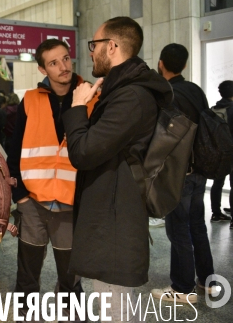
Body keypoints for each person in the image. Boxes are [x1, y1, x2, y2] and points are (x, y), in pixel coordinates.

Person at [62, 17, 173, 321]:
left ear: (111, 46)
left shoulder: (131, 96)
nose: (90, 52)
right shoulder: (122, 91)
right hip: (110, 211)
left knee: (117, 311)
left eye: (94, 45)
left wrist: (76, 109)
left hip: (115, 221)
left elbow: (84, 152)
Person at [7, 39, 96, 320]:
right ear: (42, 69)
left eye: (66, 59)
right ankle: (25, 306)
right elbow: (14, 147)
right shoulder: (31, 100)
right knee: (29, 264)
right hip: (32, 198)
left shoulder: (90, 99)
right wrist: (19, 194)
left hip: (71, 199)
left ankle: (70, 306)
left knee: (70, 265)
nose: (63, 67)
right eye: (54, 63)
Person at [151, 43, 217, 303]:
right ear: (186, 65)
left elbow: (164, 137)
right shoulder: (195, 90)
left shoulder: (167, 94)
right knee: (198, 227)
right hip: (200, 170)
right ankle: (207, 281)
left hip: (179, 174)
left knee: (178, 229)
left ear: (161, 64)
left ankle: (182, 287)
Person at [209, 80, 233, 225]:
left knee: (218, 183)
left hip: (218, 151)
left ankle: (216, 213)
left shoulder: (215, 108)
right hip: (231, 151)